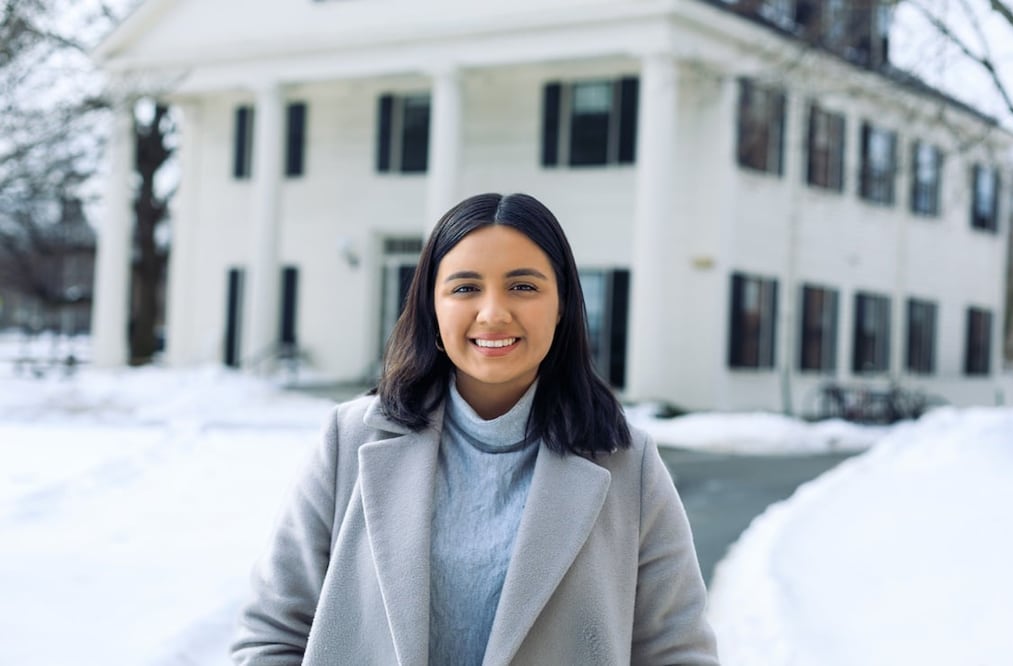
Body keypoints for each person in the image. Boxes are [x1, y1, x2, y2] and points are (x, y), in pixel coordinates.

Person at [231, 193, 719, 665]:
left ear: (563, 304)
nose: (493, 313)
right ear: (432, 306)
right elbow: (273, 635)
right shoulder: (349, 440)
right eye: (465, 288)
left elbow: (677, 652)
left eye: (523, 286)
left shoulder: (627, 465)